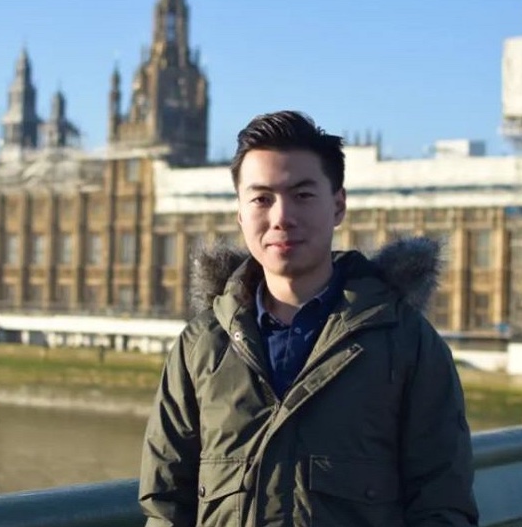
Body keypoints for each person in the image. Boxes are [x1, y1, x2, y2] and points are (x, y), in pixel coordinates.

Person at [139, 110, 478, 527]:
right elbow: (166, 505)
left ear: (338, 205)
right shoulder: (200, 346)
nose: (281, 217)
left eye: (302, 195)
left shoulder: (406, 343)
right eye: (262, 199)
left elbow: (443, 504)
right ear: (240, 213)